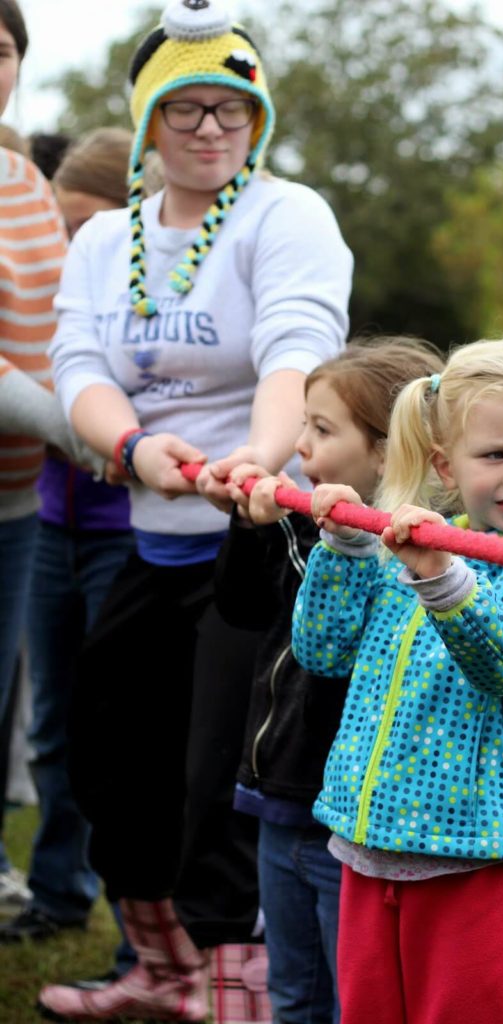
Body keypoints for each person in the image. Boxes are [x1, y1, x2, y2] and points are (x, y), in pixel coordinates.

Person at [37, 0, 352, 1020]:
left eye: (233, 107)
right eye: (186, 109)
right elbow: (77, 363)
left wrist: (256, 462)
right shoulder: (107, 241)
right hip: (151, 532)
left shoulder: (285, 214)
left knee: (223, 773)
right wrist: (130, 447)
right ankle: (161, 971)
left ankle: (243, 987)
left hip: (256, 536)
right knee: (105, 758)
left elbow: (294, 351)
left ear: (257, 118)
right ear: (146, 122)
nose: (212, 128)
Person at [291, 332, 503, 1024]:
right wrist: (345, 549)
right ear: (446, 462)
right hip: (367, 843)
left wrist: (444, 580)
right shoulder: (421, 537)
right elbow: (323, 651)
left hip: (473, 856)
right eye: (495, 455)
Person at [201, 338, 444, 1024]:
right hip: (277, 794)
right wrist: (249, 529)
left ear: (385, 451)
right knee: (291, 989)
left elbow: (341, 655)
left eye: (321, 428)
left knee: (352, 996)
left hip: (345, 813)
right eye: (303, 422)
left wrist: (346, 545)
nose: (299, 442)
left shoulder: (416, 558)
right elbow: (243, 609)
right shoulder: (301, 522)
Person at [0, 127, 136, 951]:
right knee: (50, 723)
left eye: (89, 228)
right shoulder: (63, 298)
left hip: (130, 535)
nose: (71, 246)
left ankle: (141, 929)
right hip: (52, 523)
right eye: (62, 226)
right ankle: (57, 889)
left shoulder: (156, 299)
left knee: (117, 727)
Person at [0, 0, 91, 918]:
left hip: (17, 501)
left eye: (0, 50)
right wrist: (92, 433)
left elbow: (66, 332)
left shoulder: (24, 182)